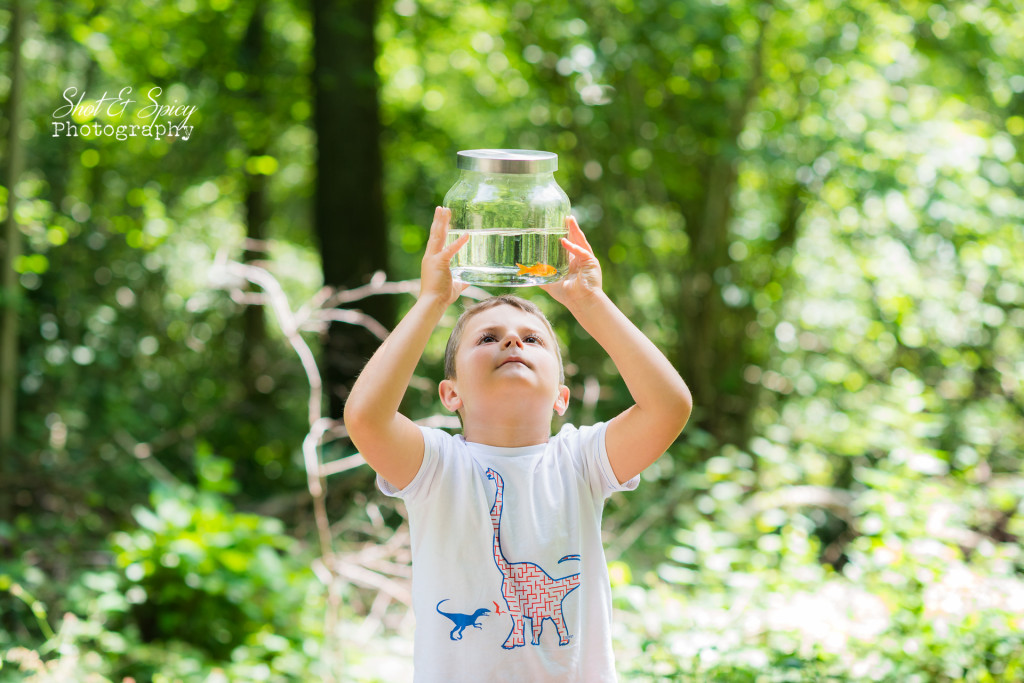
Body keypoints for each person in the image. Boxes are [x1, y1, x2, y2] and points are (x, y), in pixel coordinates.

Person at [343, 207, 692, 682]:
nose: (513, 342)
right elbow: (366, 417)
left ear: (561, 398)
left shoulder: (580, 461)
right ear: (451, 393)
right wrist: (431, 300)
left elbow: (669, 406)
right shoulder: (437, 468)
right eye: (488, 337)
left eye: (532, 339)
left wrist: (590, 301)